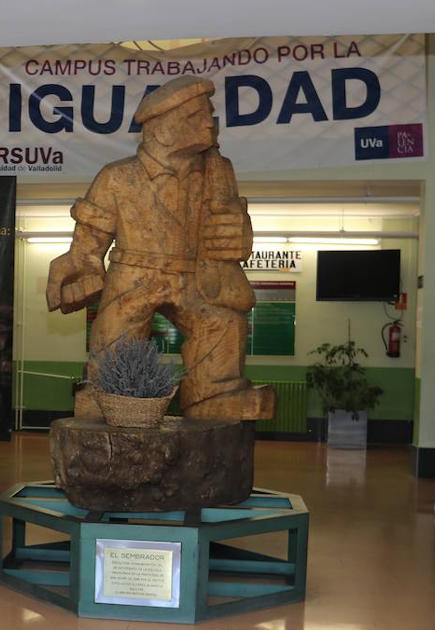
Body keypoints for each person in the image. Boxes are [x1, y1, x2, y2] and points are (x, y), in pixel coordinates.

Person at [45, 75, 273, 421]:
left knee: (223, 321)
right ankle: (110, 401)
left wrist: (241, 236)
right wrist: (80, 265)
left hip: (197, 276)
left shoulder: (219, 172)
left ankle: (214, 395)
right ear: (160, 128)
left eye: (209, 114)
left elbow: (233, 230)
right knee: (115, 351)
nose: (209, 124)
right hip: (134, 274)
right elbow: (88, 245)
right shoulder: (117, 177)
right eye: (195, 117)